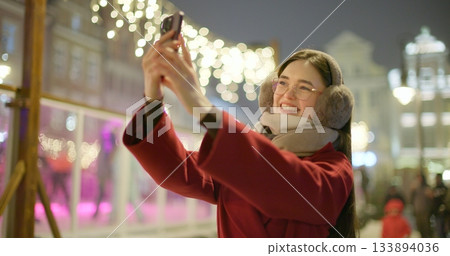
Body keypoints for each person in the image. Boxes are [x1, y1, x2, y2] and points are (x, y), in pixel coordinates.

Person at [123, 30, 357, 237]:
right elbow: (177, 170)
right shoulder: (241, 157)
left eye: (304, 87)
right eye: (282, 83)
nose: (287, 95)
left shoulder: (334, 169)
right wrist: (153, 97)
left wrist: (201, 105)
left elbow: (282, 180)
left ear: (330, 103)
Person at [410, 173, 433, 238]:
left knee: (426, 227)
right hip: (418, 210)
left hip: (425, 210)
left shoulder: (426, 187)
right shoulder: (415, 188)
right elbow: (411, 200)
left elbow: (431, 198)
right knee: (419, 227)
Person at [432, 173, 448, 237]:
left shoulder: (444, 188)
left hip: (444, 213)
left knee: (443, 230)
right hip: (436, 212)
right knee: (438, 230)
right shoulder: (434, 188)